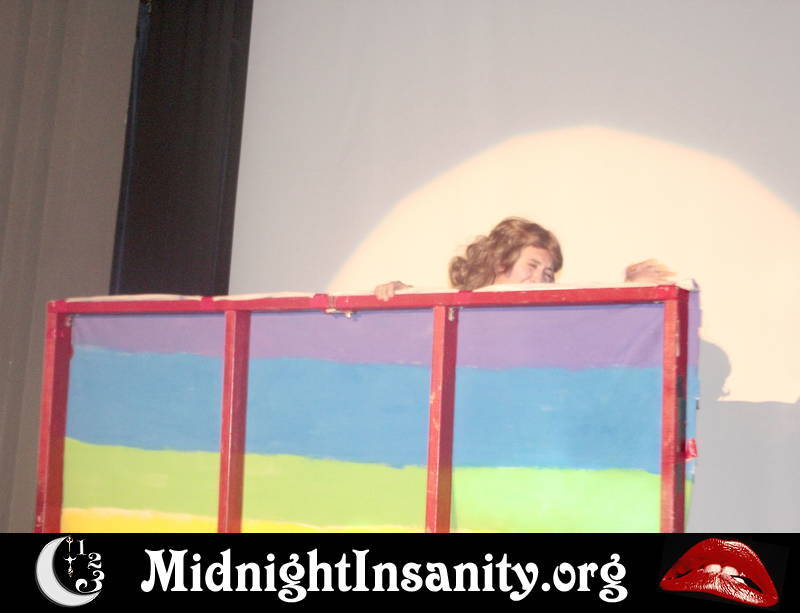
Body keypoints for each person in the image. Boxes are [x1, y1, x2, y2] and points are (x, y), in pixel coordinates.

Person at [374, 216, 672, 300]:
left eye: (548, 273)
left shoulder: (548, 317)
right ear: (499, 263)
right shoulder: (458, 309)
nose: (540, 279)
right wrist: (397, 297)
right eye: (532, 265)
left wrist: (632, 291)